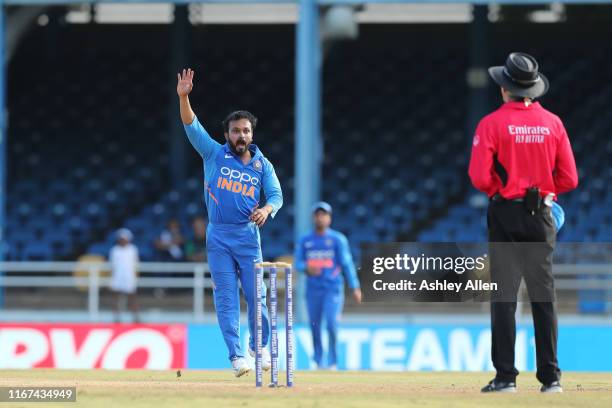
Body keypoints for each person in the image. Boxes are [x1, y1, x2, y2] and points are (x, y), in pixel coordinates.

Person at [468, 52, 578, 393]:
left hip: (505, 212)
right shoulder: (554, 123)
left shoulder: (491, 124)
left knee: (504, 296)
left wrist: (501, 190)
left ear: (505, 88)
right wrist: (543, 193)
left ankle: (505, 378)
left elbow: (478, 176)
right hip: (541, 214)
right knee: (544, 296)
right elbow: (570, 179)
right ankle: (551, 379)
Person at [177, 68, 283, 377]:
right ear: (227, 135)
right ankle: (237, 356)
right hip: (219, 237)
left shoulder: (263, 165)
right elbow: (190, 125)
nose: (241, 136)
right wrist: (184, 97)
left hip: (248, 237)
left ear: (252, 134)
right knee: (226, 299)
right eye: (236, 131)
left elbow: (277, 195)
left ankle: (258, 348)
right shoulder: (213, 154)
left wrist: (267, 210)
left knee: (257, 297)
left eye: (246, 131)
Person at [295, 202, 362, 370]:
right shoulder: (305, 240)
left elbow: (347, 264)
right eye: (317, 214)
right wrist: (306, 268)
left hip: (332, 289)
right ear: (313, 218)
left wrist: (355, 286)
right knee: (315, 325)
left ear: (329, 218)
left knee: (331, 324)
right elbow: (297, 263)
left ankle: (332, 362)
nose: (320, 218)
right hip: (313, 289)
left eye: (324, 214)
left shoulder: (337, 240)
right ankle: (318, 361)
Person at [109, 228, 140, 323]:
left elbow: (136, 264)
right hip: (117, 276)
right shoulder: (114, 250)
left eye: (124, 238)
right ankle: (116, 318)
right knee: (116, 298)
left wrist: (135, 277)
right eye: (121, 238)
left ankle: (136, 318)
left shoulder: (133, 249)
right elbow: (112, 265)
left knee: (132, 297)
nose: (123, 240)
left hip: (129, 277)